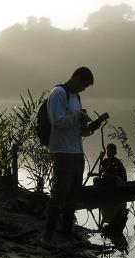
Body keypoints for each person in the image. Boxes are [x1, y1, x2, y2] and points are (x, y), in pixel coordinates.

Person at [43, 66, 100, 244]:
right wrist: (77, 115)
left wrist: (90, 126)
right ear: (76, 78)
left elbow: (78, 130)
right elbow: (57, 122)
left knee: (73, 194)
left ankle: (66, 233)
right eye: (84, 85)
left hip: (77, 151)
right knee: (59, 194)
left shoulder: (76, 97)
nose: (84, 89)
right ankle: (48, 238)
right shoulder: (59, 93)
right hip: (62, 151)